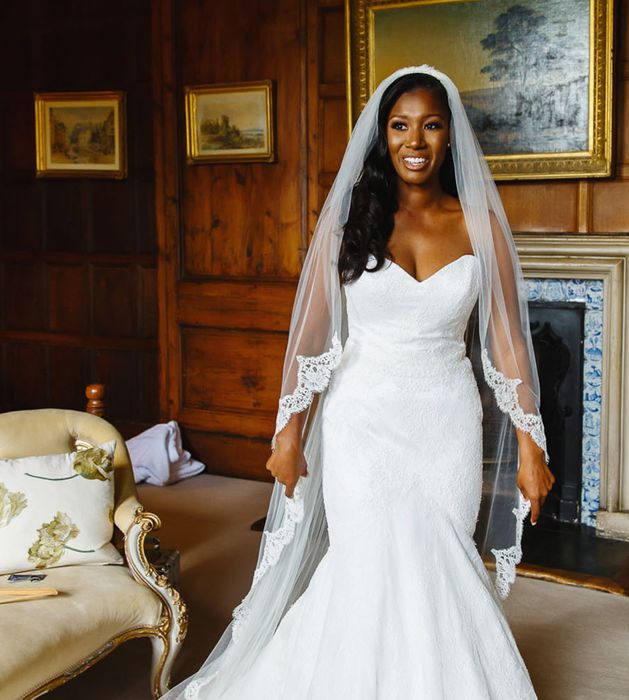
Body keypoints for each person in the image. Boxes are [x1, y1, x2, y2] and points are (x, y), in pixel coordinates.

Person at [163, 65, 554, 700]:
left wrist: (530, 446)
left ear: (450, 136)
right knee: (365, 564)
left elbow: (508, 343)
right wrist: (289, 434)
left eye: (430, 126)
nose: (415, 141)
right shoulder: (350, 225)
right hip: (361, 422)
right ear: (383, 136)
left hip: (445, 422)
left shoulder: (479, 225)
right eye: (401, 126)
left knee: (442, 564)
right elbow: (312, 341)